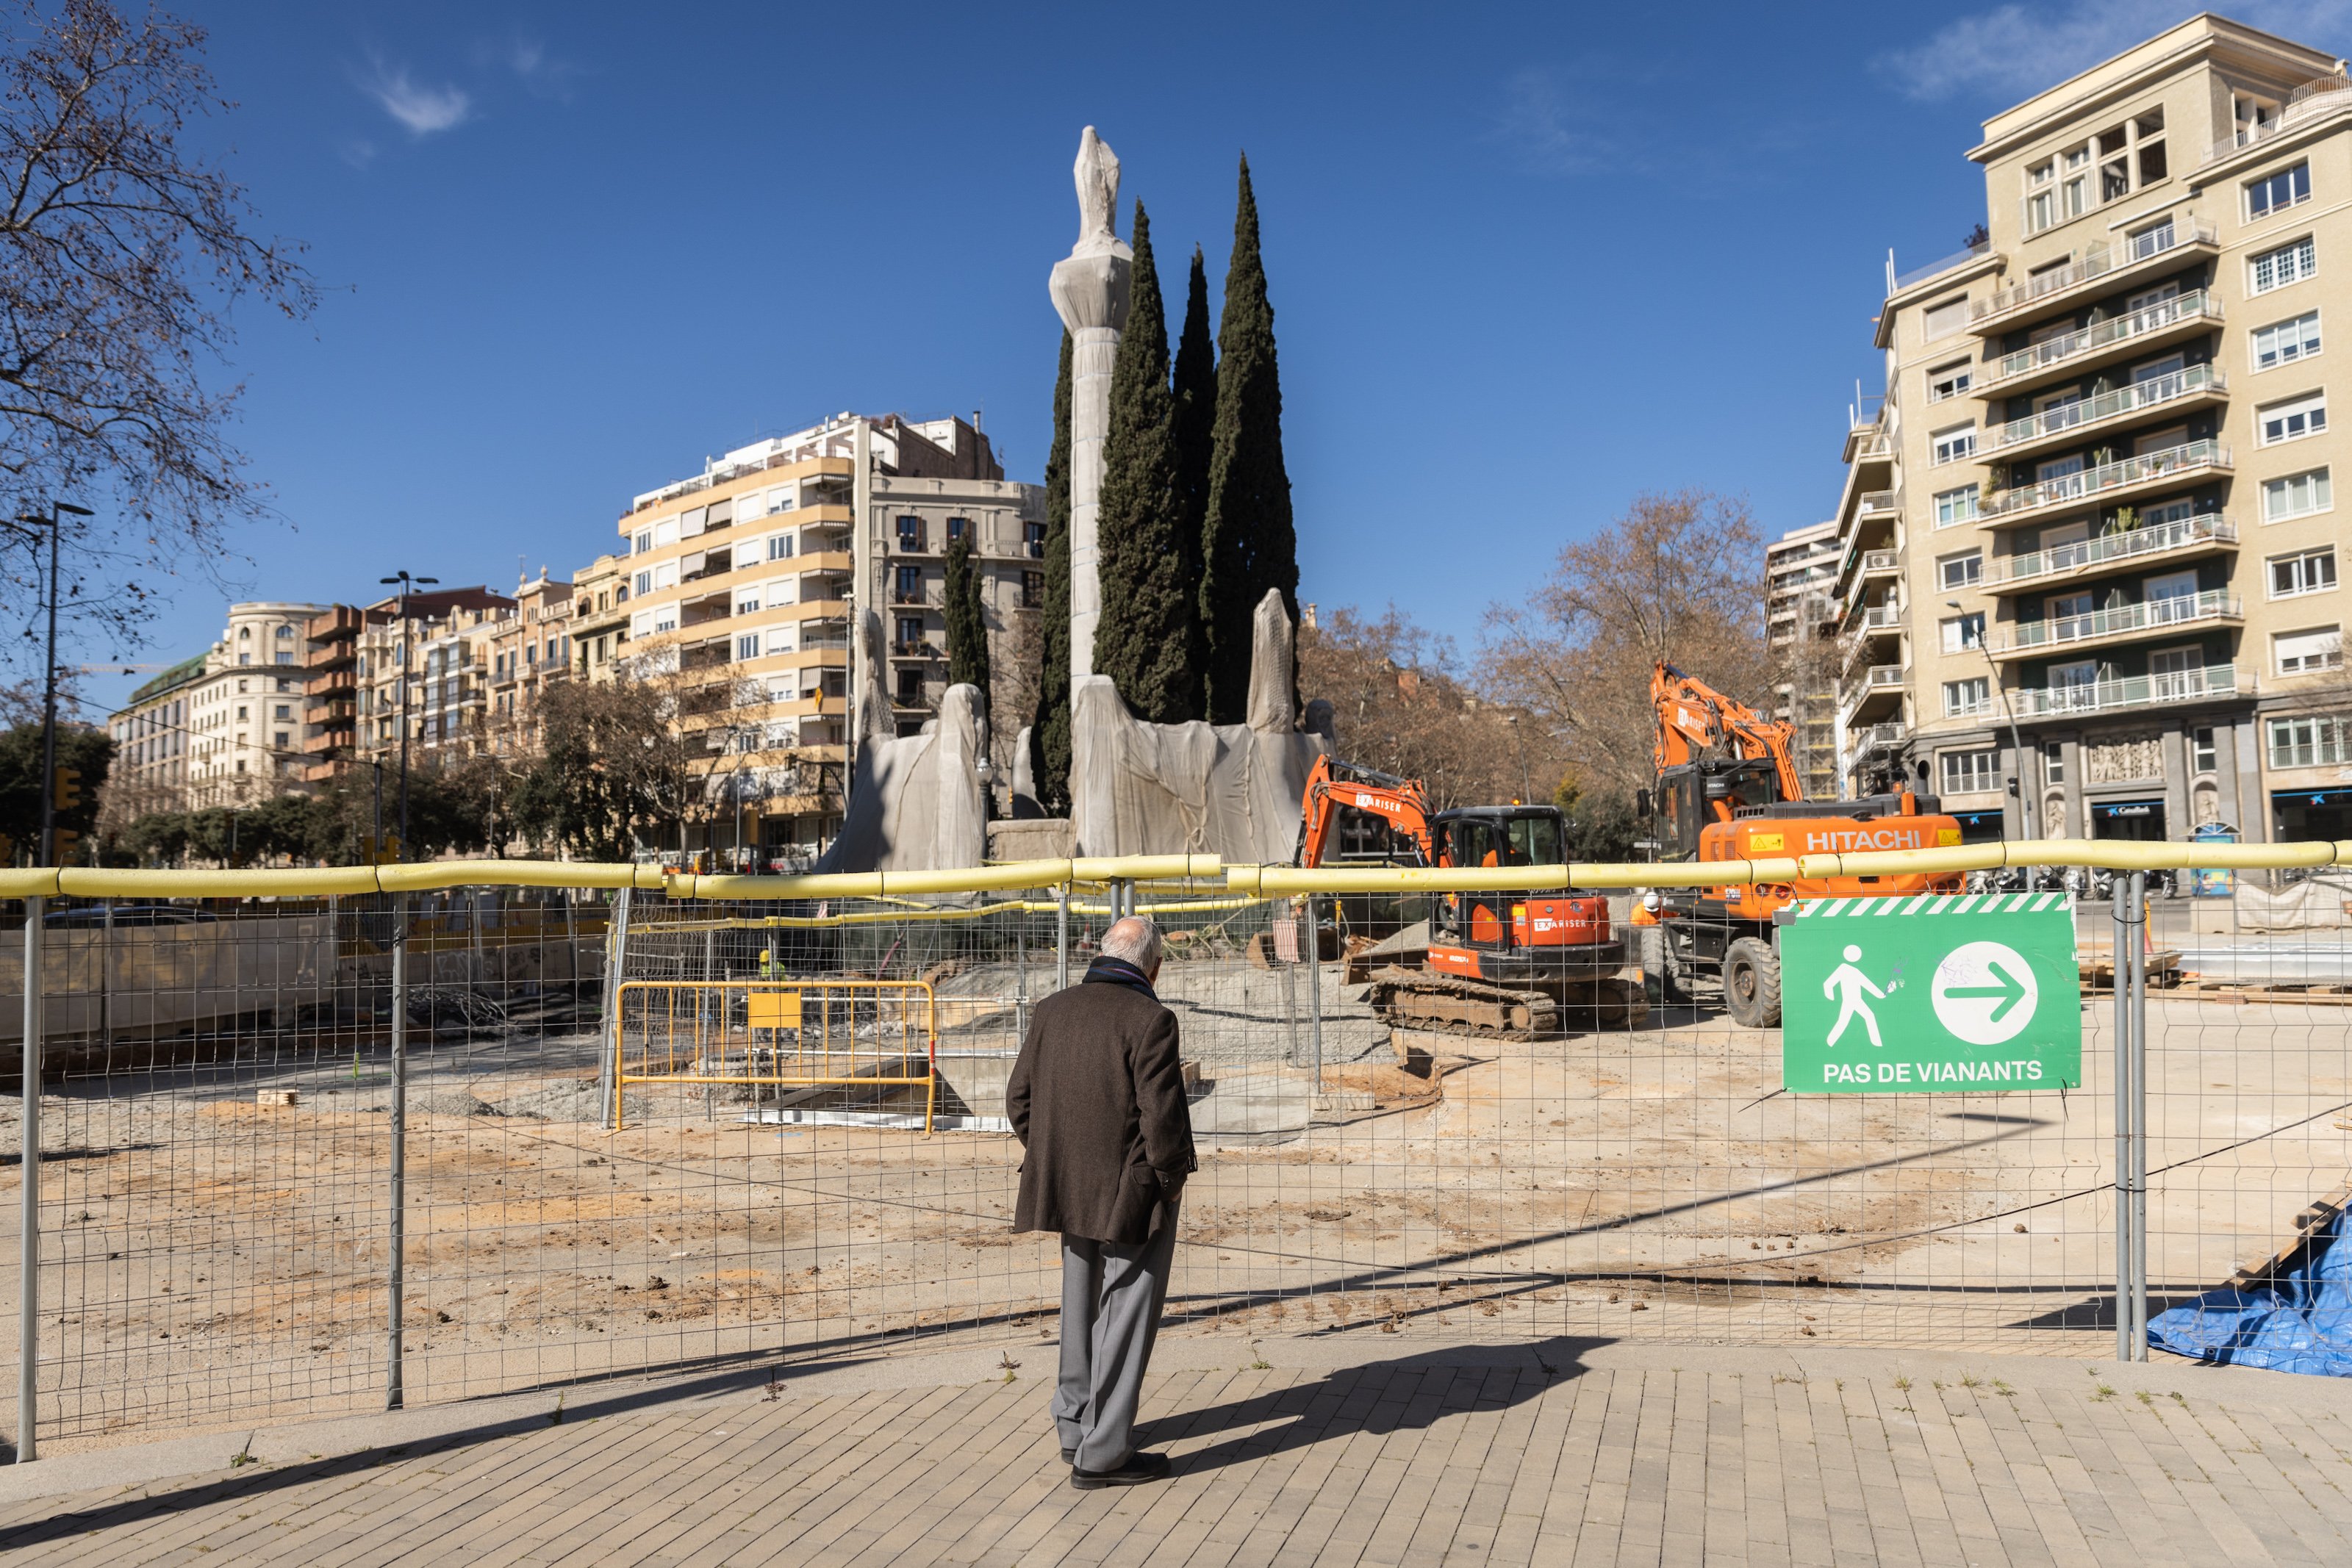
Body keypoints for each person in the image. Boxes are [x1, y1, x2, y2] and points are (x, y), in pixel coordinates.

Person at [1005, 914, 1195, 1489]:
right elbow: (1162, 1123)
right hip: (1133, 1189)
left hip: (1066, 1183)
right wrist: (1167, 1183)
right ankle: (1104, 1453)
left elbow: (1019, 1101)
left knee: (1080, 1304)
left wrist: (1055, 1156)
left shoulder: (1051, 1010)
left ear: (1103, 951)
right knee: (1127, 1311)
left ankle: (1073, 1424)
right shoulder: (1151, 1019)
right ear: (1153, 967)